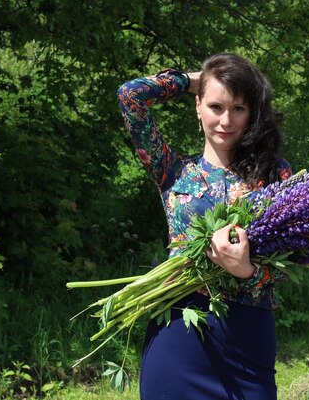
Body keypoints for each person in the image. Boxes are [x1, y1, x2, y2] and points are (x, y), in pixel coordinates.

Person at [117, 53, 292, 400]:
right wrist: (194, 79)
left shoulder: (274, 175)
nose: (226, 120)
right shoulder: (172, 171)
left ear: (251, 113)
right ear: (198, 107)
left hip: (247, 339)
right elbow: (130, 96)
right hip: (178, 335)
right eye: (215, 106)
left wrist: (247, 271)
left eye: (239, 108)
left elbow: (289, 262)